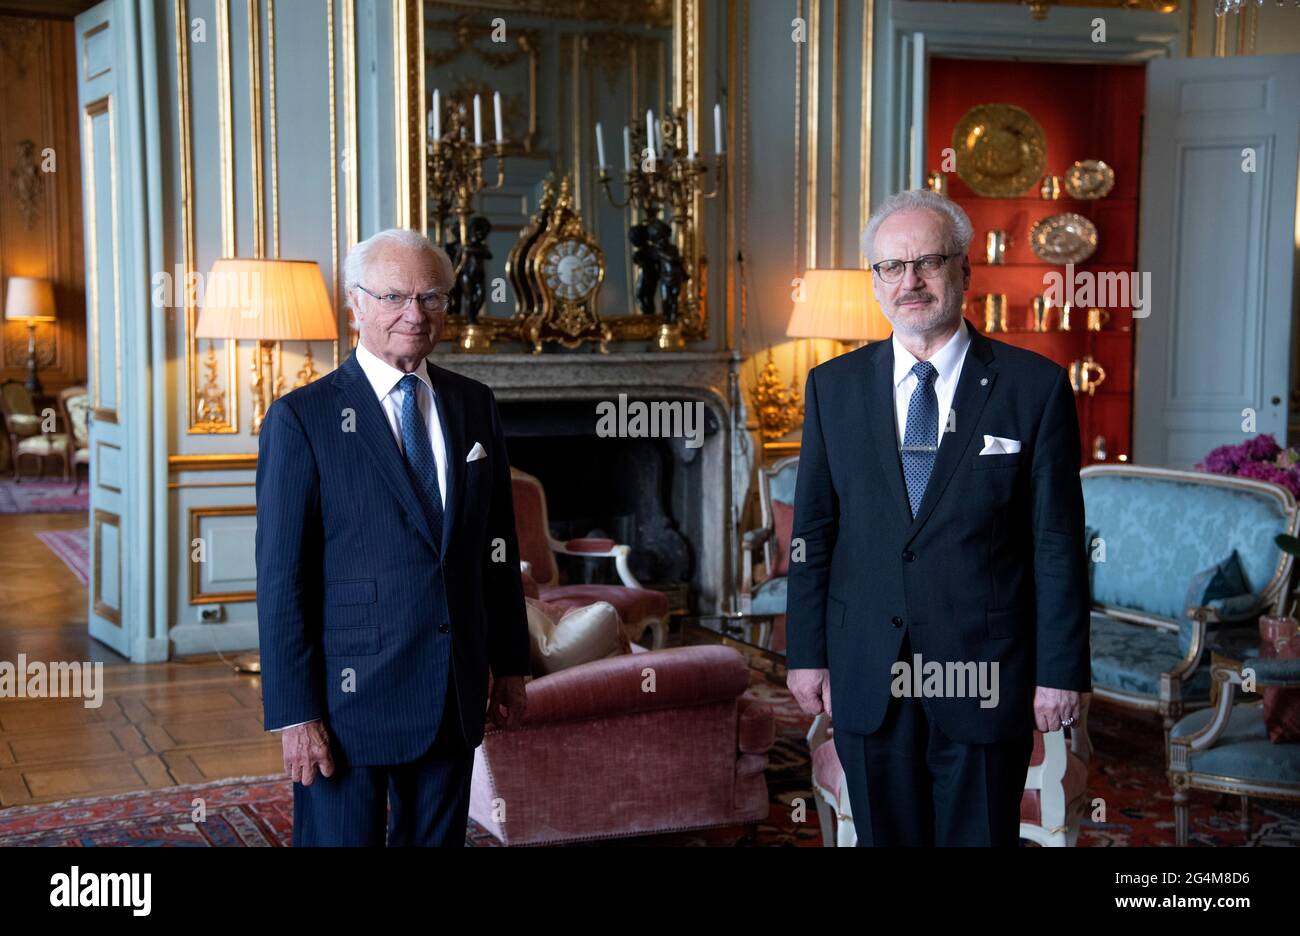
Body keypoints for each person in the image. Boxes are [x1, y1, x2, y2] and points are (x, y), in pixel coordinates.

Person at [785, 189, 1091, 846]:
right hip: (869, 665)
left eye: (927, 261)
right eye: (891, 267)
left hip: (986, 672)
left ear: (963, 270)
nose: (909, 282)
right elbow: (813, 536)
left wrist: (1060, 670)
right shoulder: (831, 389)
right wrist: (805, 655)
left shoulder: (1033, 388)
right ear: (874, 280)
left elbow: (1057, 544)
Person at [255, 228, 529, 846]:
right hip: (348, 696)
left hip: (451, 688)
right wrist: (296, 714)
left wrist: (510, 664)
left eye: (432, 298)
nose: (415, 314)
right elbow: (281, 580)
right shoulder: (303, 418)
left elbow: (498, 547)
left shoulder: (474, 404)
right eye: (394, 297)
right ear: (356, 304)